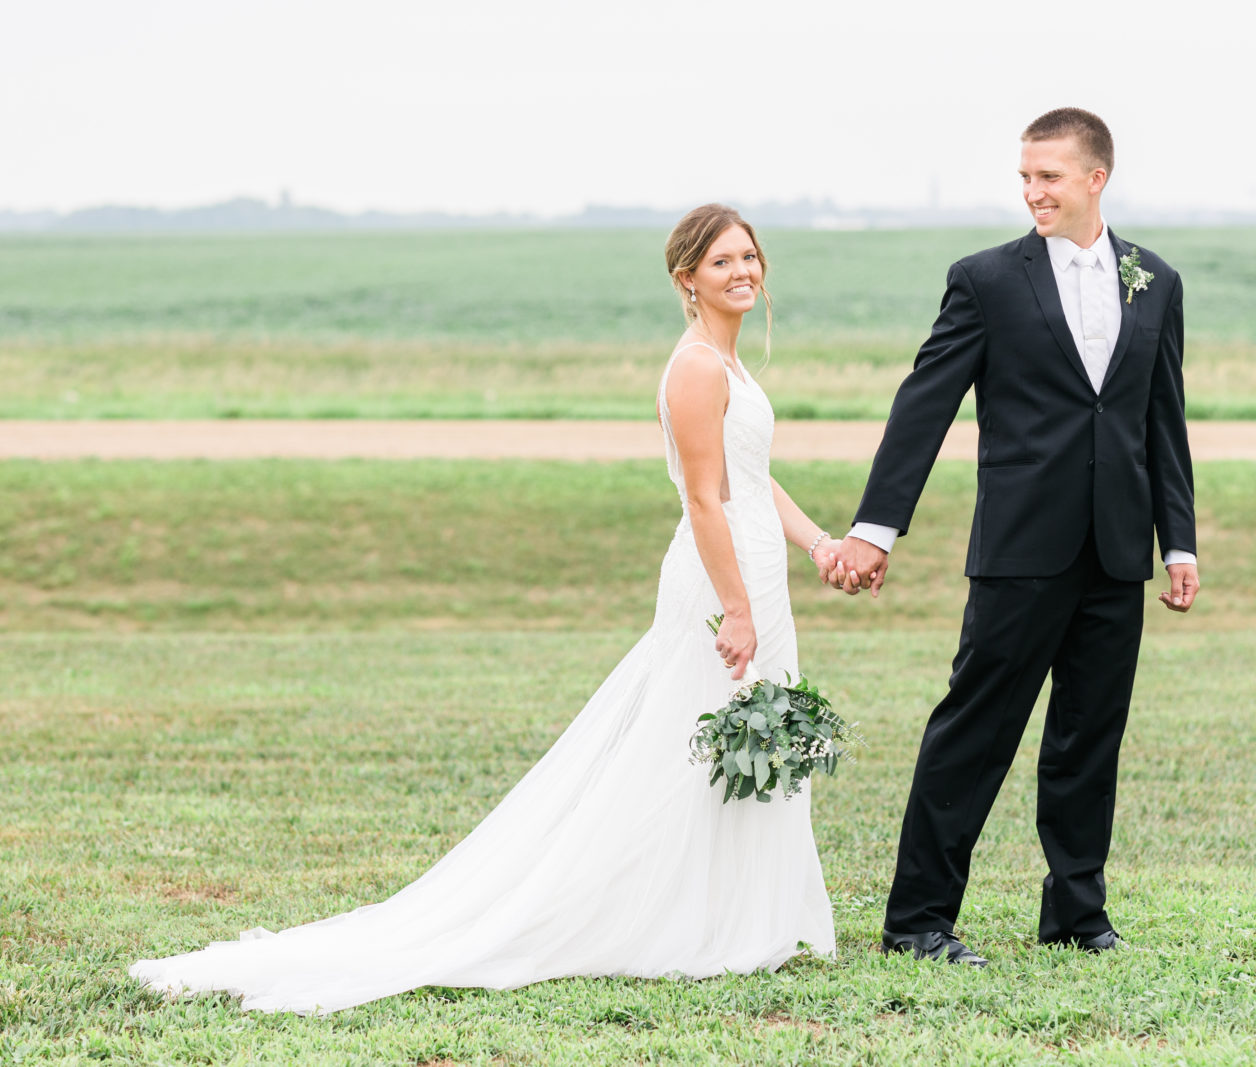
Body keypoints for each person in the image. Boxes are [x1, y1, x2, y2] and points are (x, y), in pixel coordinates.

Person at [130, 204, 837, 1013]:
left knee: (739, 741)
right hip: (721, 582)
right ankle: (662, 916)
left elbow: (750, 473)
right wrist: (738, 608)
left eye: (750, 256)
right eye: (722, 262)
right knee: (687, 743)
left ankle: (736, 912)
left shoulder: (728, 364)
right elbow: (707, 502)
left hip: (757, 573)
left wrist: (817, 544)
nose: (743, 270)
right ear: (687, 279)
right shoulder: (696, 368)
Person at [823, 108, 1200, 965]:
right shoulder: (986, 279)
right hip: (1021, 549)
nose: (1032, 191)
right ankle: (917, 919)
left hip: (1116, 552)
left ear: (1095, 178)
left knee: (1089, 736)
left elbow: (1161, 419)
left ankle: (1076, 913)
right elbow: (926, 402)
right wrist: (876, 528)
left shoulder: (1154, 279)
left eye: (1049, 177)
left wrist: (1176, 541)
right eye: (1025, 177)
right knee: (975, 729)